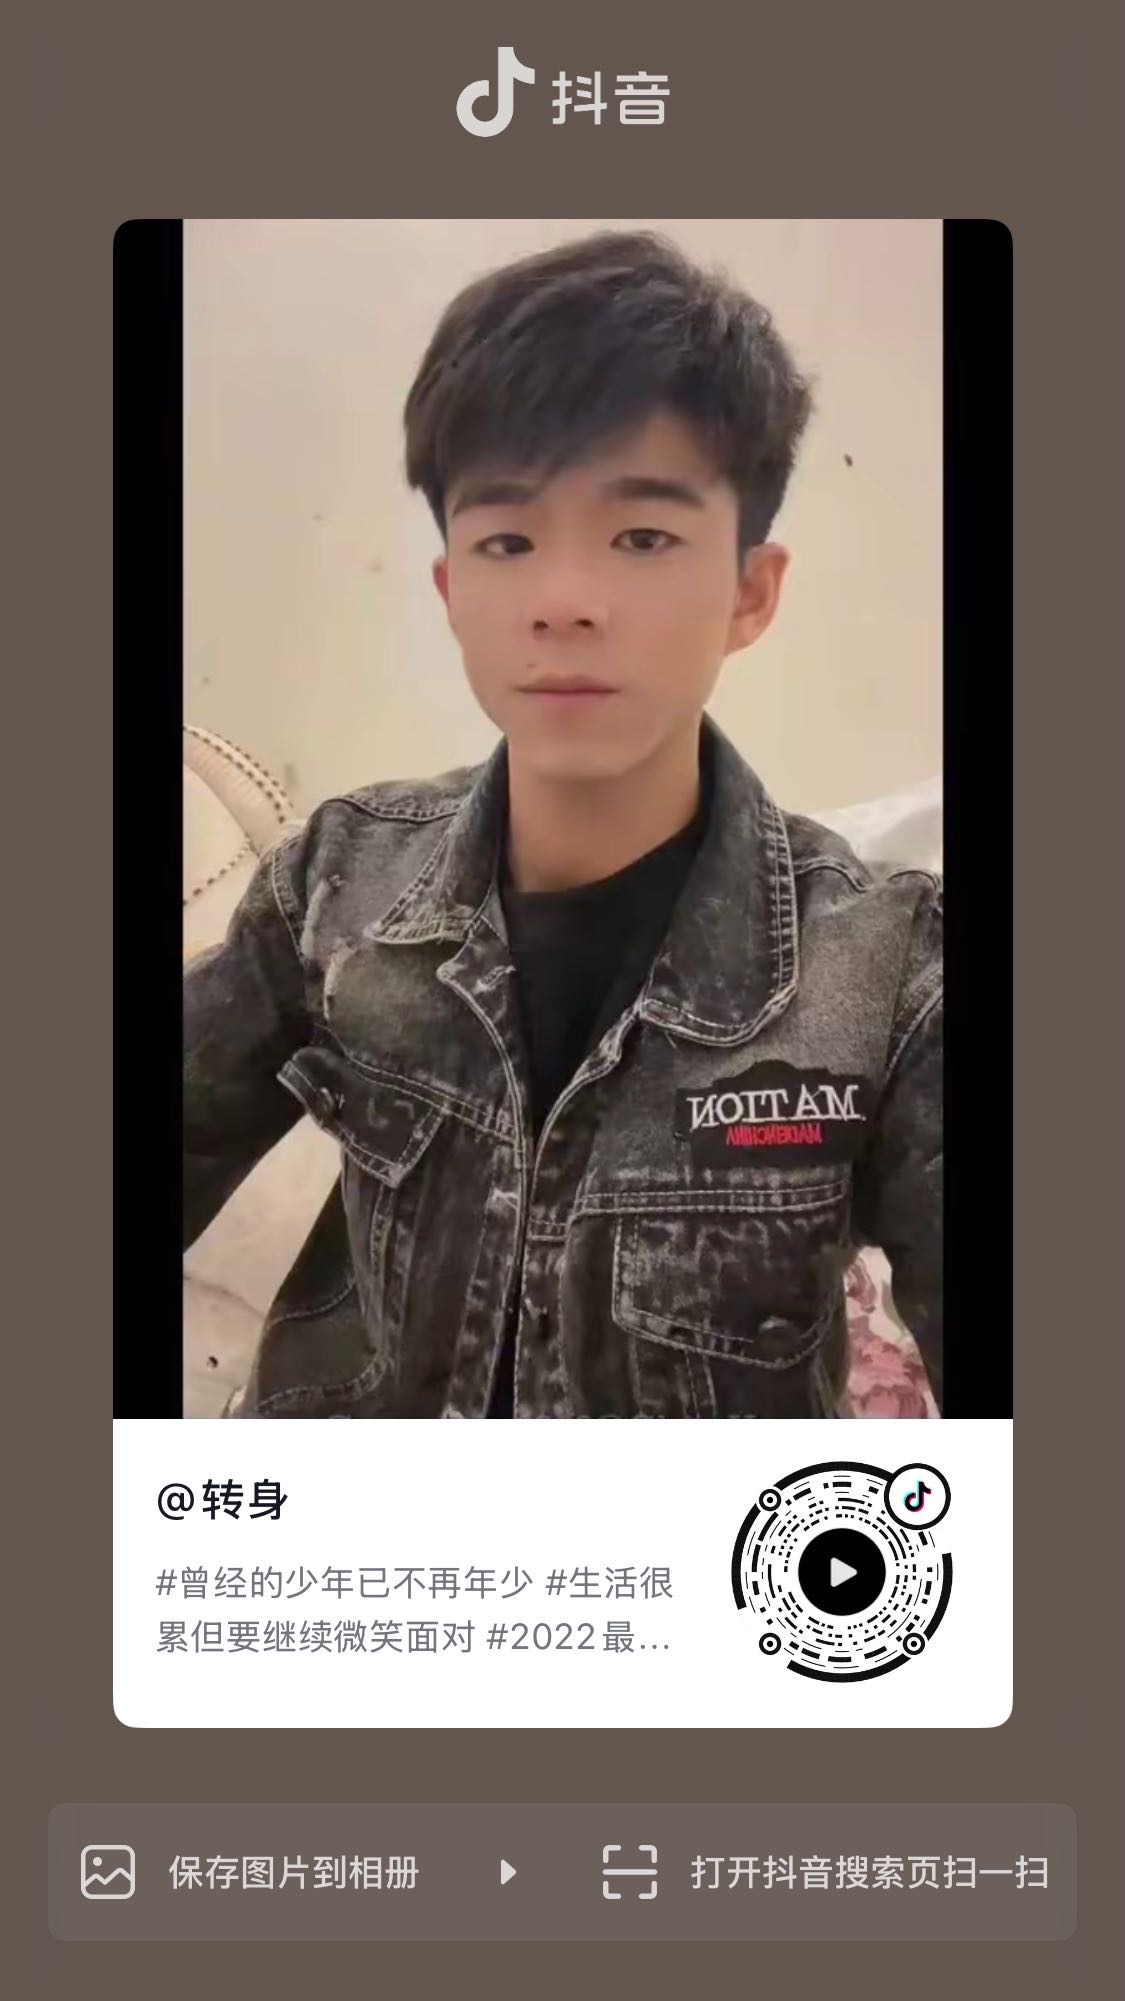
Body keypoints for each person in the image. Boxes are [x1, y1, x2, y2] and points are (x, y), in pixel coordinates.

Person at [183, 229, 942, 1420]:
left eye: (642, 537)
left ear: (750, 592)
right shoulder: (339, 880)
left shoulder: (888, 971)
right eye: (507, 541)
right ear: (453, 592)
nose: (564, 602)